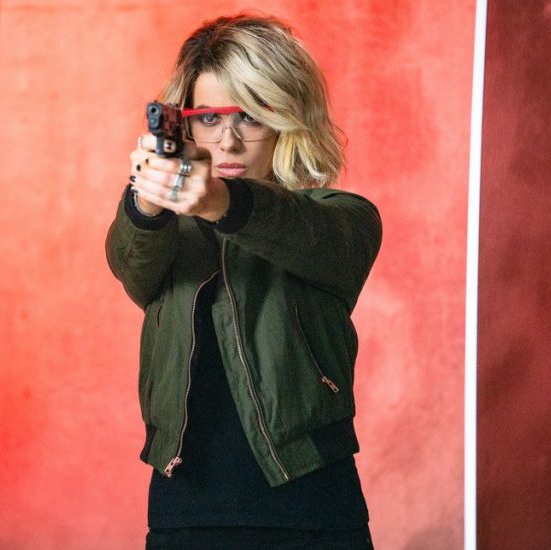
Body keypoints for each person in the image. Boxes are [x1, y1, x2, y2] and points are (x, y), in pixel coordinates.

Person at [105, 14, 382, 550]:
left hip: (313, 511)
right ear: (185, 127)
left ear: (286, 120)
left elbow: (310, 233)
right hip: (184, 512)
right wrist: (146, 200)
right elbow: (130, 264)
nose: (228, 141)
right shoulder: (167, 234)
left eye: (251, 116)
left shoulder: (340, 215)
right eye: (209, 118)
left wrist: (221, 202)